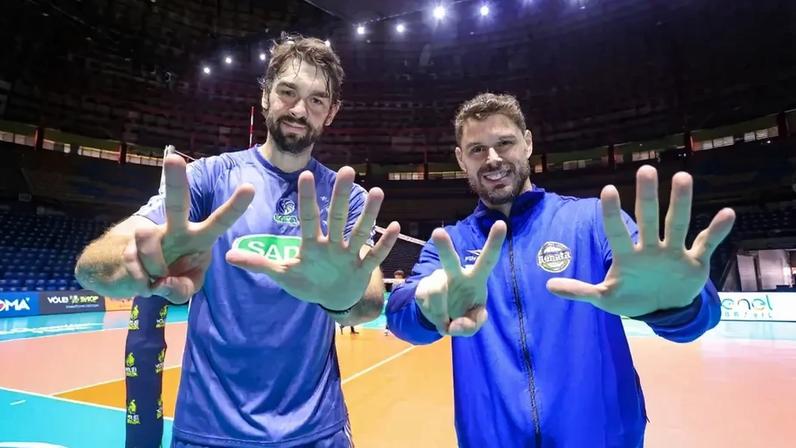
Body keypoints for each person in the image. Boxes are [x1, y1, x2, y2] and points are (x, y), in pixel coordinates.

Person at [75, 34, 400, 447]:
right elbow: (91, 266)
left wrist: (342, 297)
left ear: (331, 112)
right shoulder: (210, 179)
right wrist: (133, 266)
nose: (300, 110)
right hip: (209, 431)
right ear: (265, 96)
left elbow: (367, 300)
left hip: (316, 431)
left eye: (317, 100)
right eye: (287, 92)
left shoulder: (343, 198)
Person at [386, 93, 736, 447]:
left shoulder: (592, 221)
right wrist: (424, 307)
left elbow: (696, 317)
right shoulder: (451, 245)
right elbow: (400, 314)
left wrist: (677, 306)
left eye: (504, 143)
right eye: (477, 149)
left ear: (527, 143)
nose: (492, 159)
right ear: (461, 159)